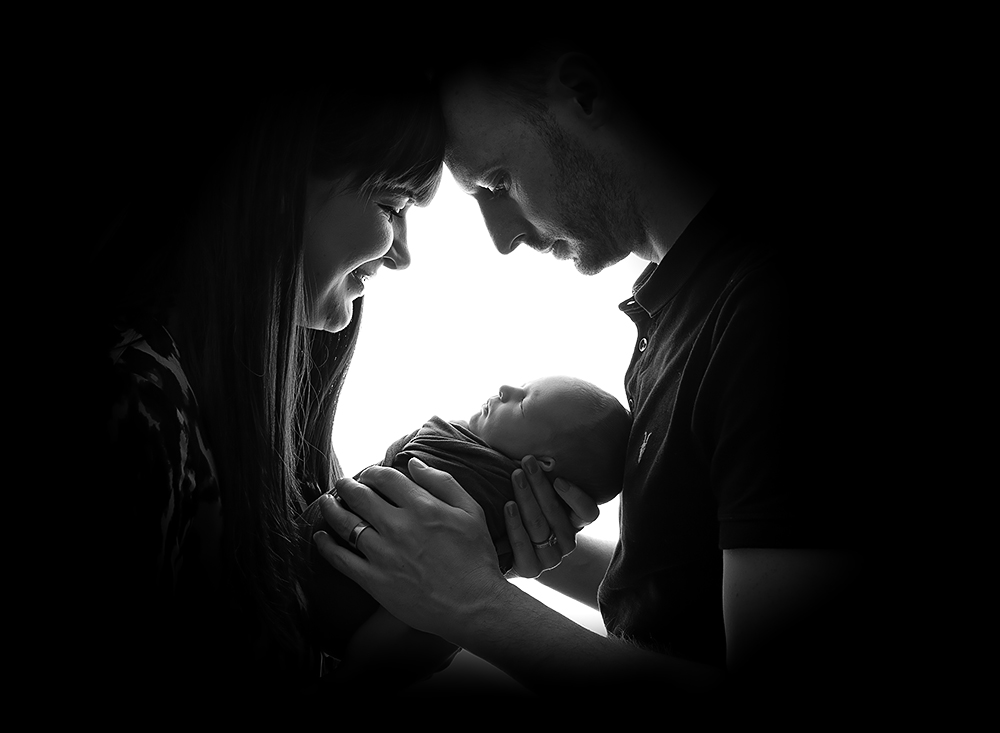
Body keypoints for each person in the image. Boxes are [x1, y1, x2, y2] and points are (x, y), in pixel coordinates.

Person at [313, 35, 876, 708]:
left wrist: (475, 603)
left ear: (583, 93)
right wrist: (506, 543)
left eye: (497, 182)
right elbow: (688, 601)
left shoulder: (775, 315)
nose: (501, 237)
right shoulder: (679, 309)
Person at [85, 67, 454, 706]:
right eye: (391, 207)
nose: (401, 255)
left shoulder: (226, 401)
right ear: (277, 184)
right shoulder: (129, 410)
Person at [299, 375, 629, 666]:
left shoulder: (485, 483)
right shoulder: (497, 486)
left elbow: (409, 455)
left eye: (524, 403)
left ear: (542, 463)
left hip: (326, 590)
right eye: (522, 385)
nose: (505, 388)